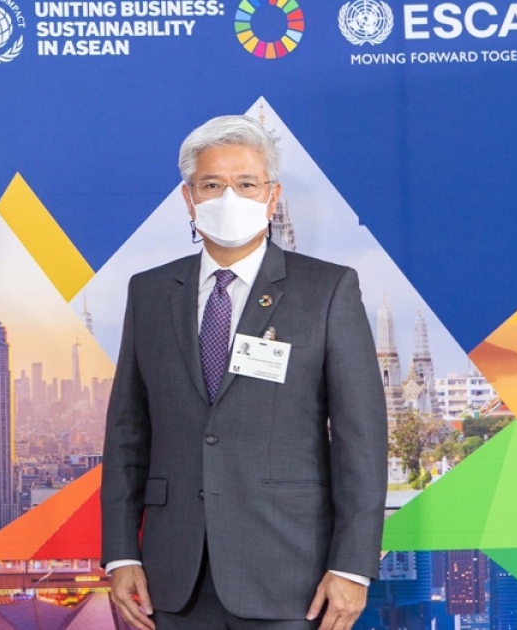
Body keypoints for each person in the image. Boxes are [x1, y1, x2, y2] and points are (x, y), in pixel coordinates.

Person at [101, 115, 387, 630]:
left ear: (272, 196)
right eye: (212, 185)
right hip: (173, 578)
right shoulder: (149, 292)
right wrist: (121, 553)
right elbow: (127, 434)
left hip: (291, 575)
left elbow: (360, 441)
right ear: (189, 199)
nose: (229, 197)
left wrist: (352, 566)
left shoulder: (327, 290)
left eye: (247, 184)